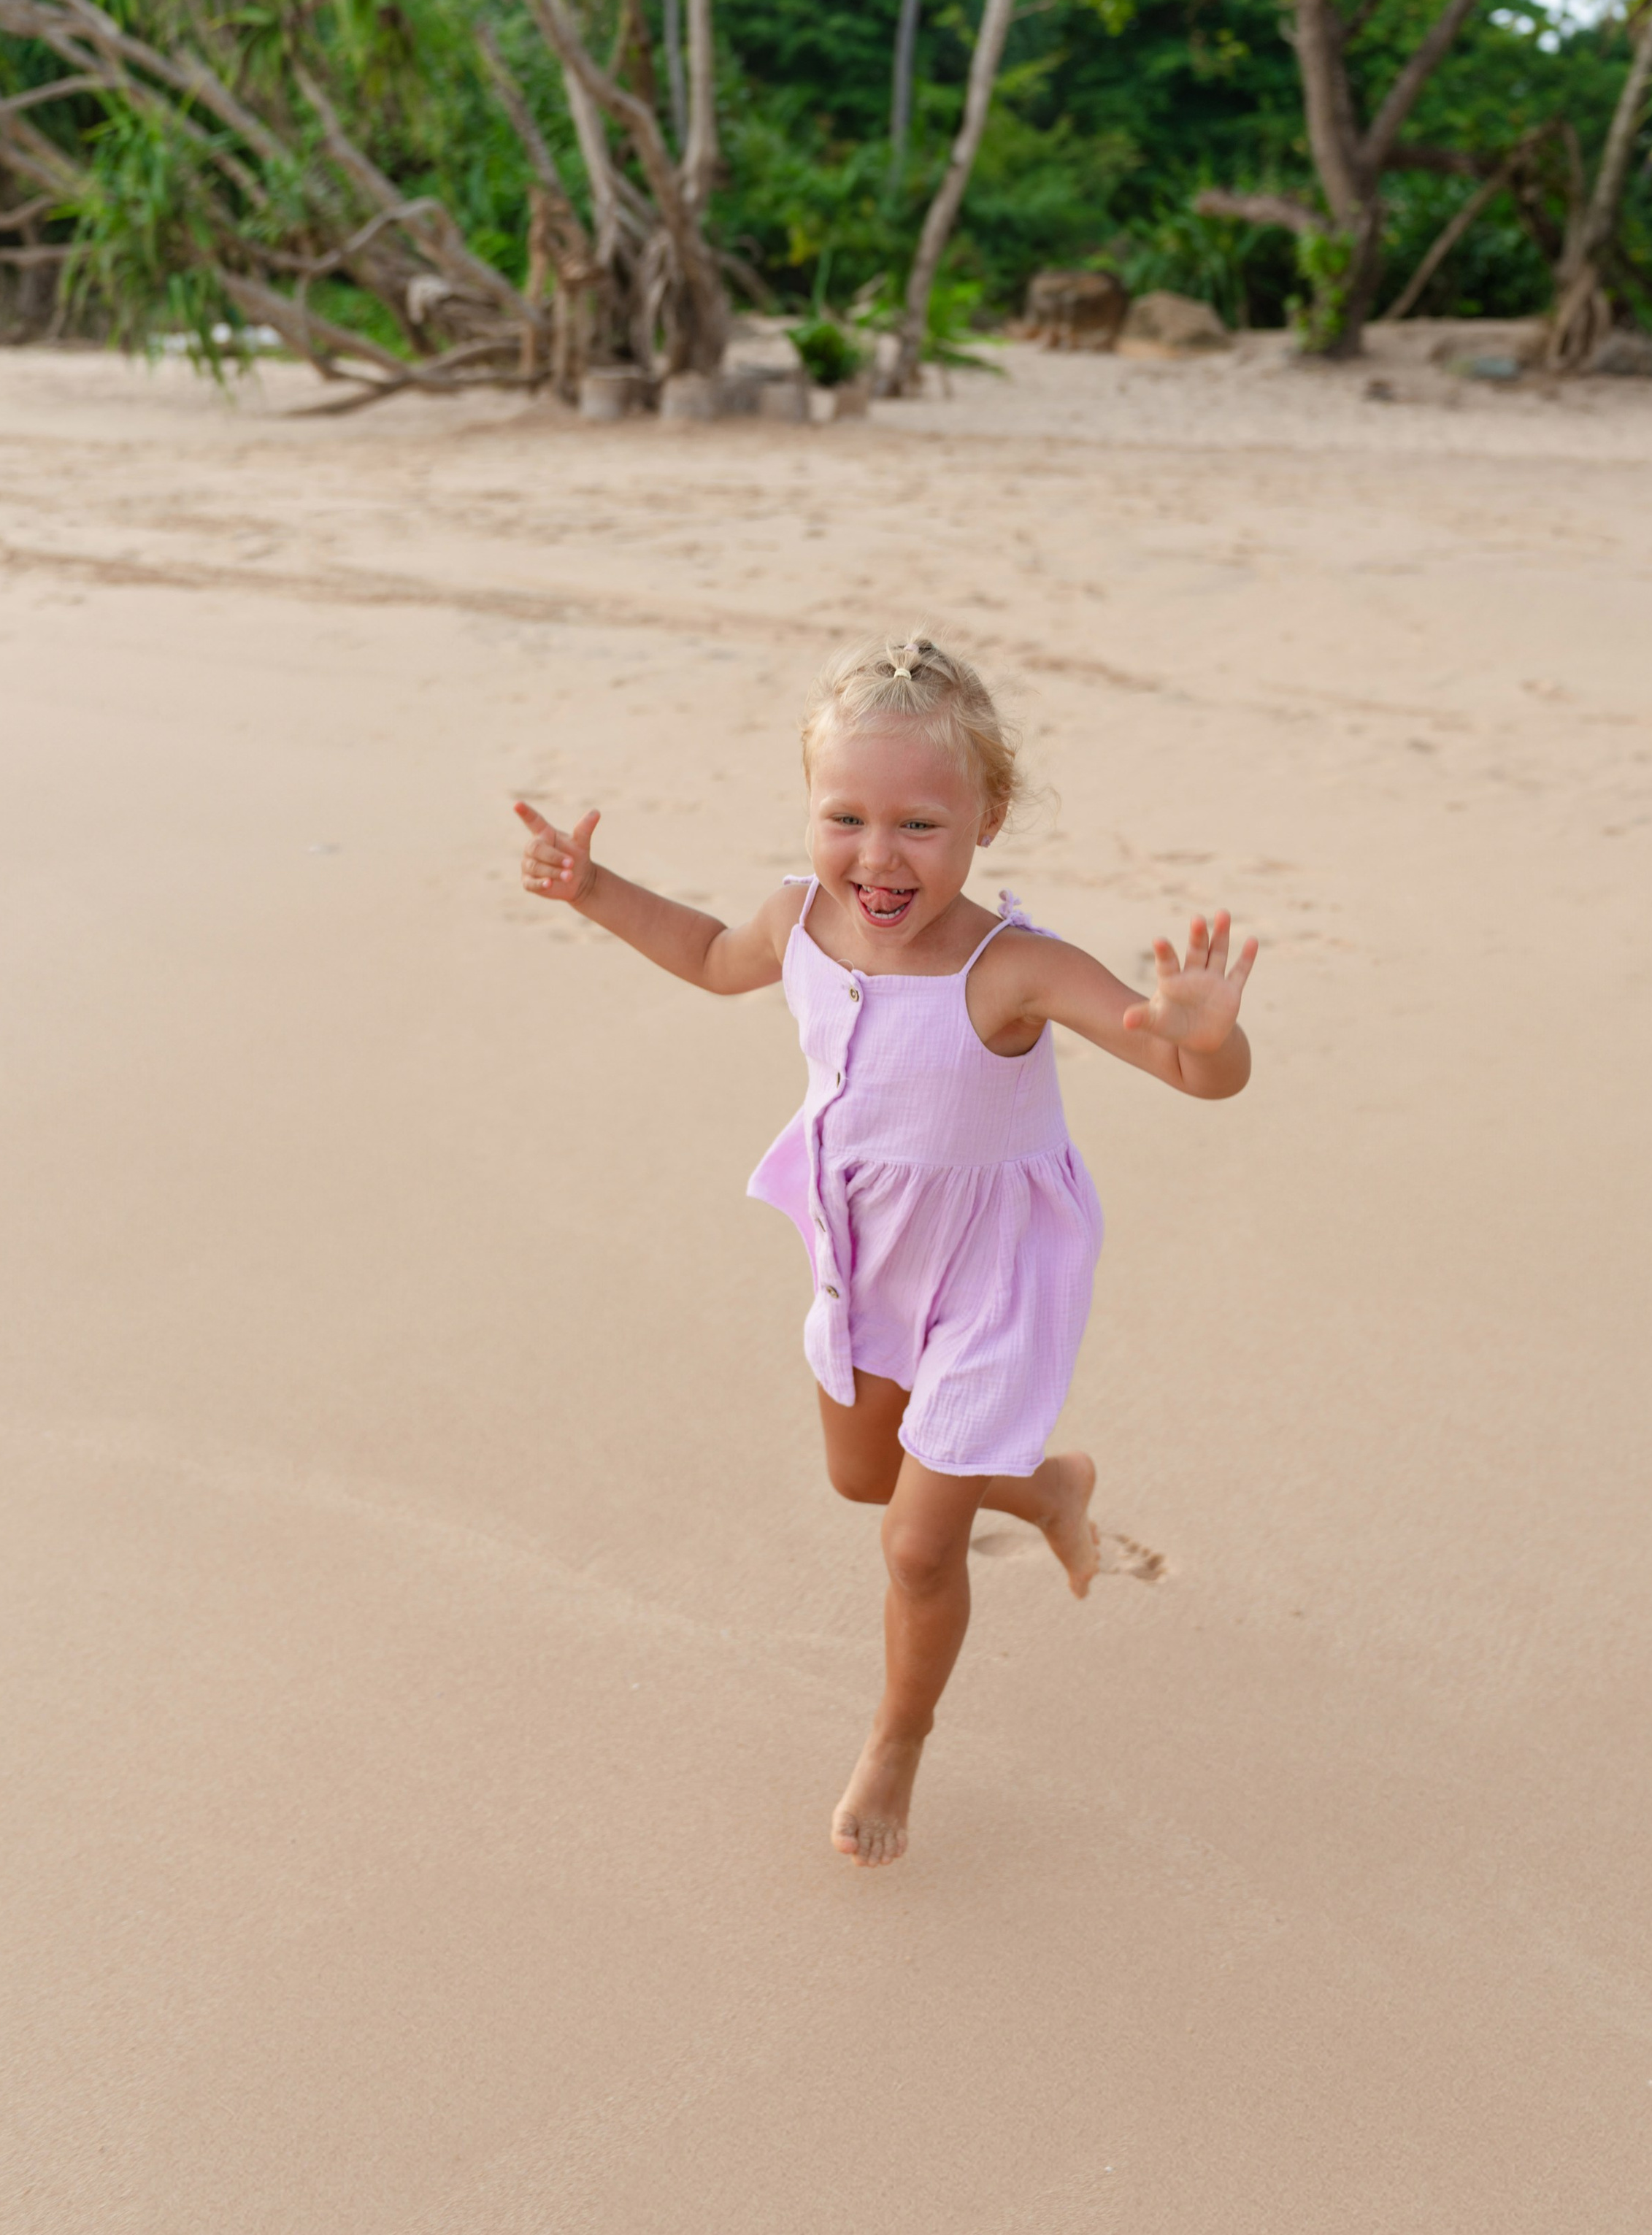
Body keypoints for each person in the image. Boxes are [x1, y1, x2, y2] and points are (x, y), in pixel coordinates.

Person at [515, 633, 1257, 1867]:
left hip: (989, 1281)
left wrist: (1210, 1039)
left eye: (920, 823)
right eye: (845, 816)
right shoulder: (800, 922)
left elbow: (1193, 1075)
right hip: (860, 1254)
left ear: (988, 817)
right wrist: (592, 889)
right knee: (867, 1477)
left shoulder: (1011, 968)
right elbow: (708, 958)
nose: (879, 854)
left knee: (915, 1544)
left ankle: (898, 1738)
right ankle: (1047, 1485)